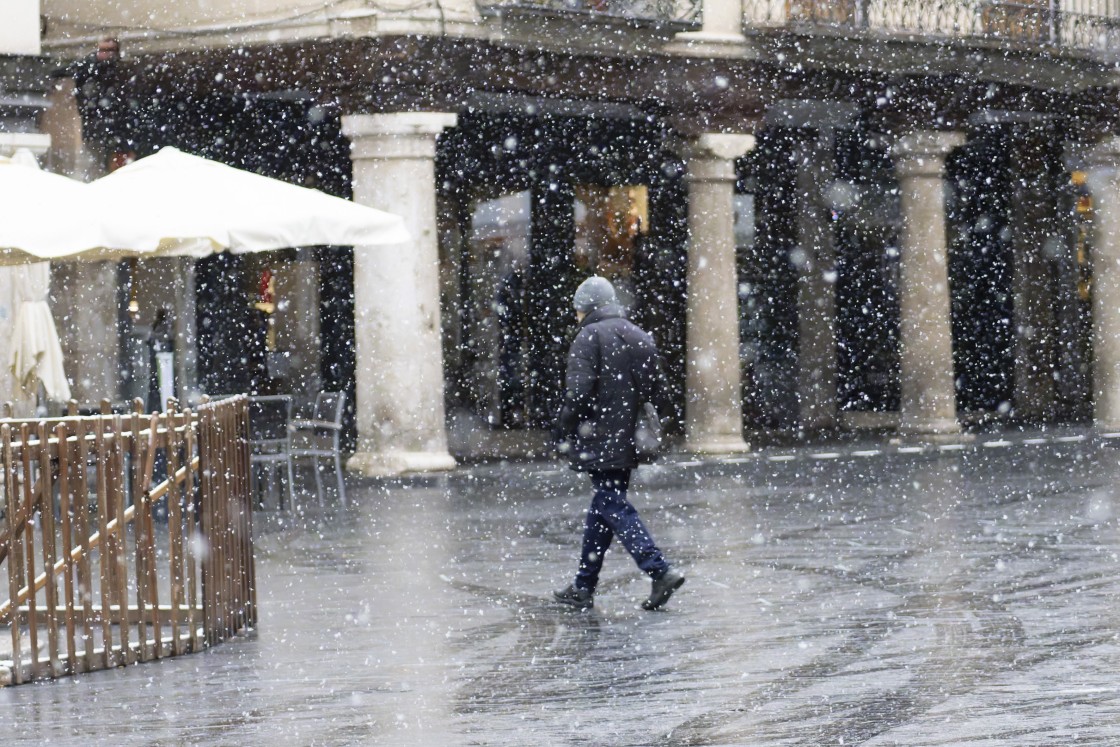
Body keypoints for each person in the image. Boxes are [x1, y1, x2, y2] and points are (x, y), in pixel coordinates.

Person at [552, 276, 685, 611]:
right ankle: (583, 586)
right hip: (629, 438)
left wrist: (563, 428)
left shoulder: (589, 336)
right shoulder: (638, 334)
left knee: (611, 504)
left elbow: (578, 393)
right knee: (605, 505)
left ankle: (659, 570)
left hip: (599, 437)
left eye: (578, 309)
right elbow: (658, 392)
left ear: (587, 308)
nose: (576, 316)